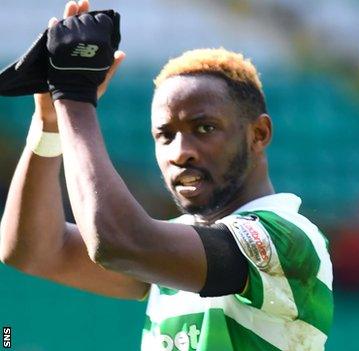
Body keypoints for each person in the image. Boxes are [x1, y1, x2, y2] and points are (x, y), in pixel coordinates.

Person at [0, 1, 333, 350]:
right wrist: (50, 125)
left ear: (259, 134)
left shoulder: (285, 239)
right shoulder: (176, 244)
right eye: (166, 135)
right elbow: (33, 251)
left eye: (204, 127)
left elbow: (117, 242)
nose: (180, 152)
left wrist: (74, 97)